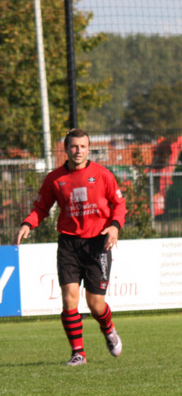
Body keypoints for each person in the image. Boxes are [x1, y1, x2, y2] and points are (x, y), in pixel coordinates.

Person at [15, 129, 127, 366]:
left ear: (89, 149)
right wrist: (28, 223)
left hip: (98, 243)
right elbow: (41, 207)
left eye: (83, 146)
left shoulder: (103, 174)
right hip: (68, 243)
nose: (78, 151)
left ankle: (108, 328)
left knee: (95, 304)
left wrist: (115, 226)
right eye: (74, 146)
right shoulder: (54, 178)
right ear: (66, 149)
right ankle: (78, 353)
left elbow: (119, 205)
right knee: (69, 300)